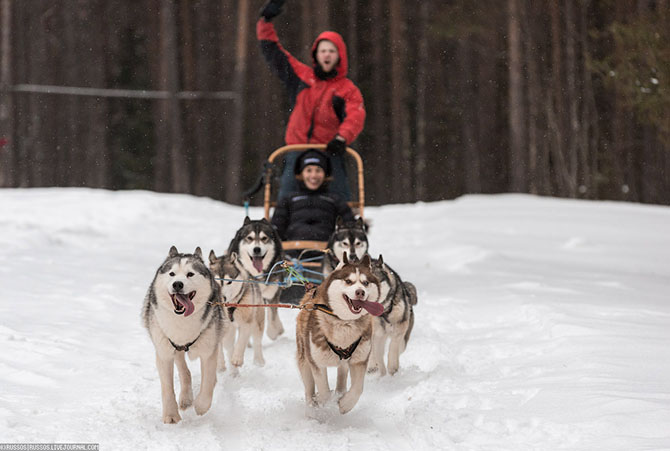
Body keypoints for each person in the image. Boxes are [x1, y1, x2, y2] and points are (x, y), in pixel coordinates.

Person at [257, 0, 366, 201]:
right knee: (287, 200)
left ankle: (346, 228)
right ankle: (281, 230)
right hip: (295, 150)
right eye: (323, 50)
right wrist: (266, 21)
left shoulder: (347, 90)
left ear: (339, 56)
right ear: (316, 54)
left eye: (332, 51)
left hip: (330, 150)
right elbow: (274, 52)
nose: (327, 54)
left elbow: (355, 116)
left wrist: (342, 138)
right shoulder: (301, 76)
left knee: (339, 200)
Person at [271, 149, 354, 248]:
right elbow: (277, 228)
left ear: (325, 174)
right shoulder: (289, 199)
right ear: (302, 173)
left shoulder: (335, 200)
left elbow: (349, 227)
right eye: (309, 170)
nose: (313, 176)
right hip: (293, 251)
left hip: (327, 253)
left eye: (318, 170)